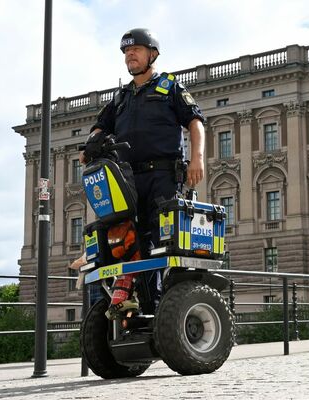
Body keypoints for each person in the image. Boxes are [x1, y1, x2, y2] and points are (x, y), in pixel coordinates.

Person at [80, 28, 206, 314]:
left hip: (162, 176)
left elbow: (195, 122)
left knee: (161, 241)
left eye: (135, 49)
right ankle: (133, 298)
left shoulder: (170, 87)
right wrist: (90, 144)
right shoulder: (121, 97)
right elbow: (101, 125)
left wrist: (197, 158)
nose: (130, 55)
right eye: (126, 51)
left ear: (152, 54)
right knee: (126, 239)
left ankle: (162, 304)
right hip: (127, 179)